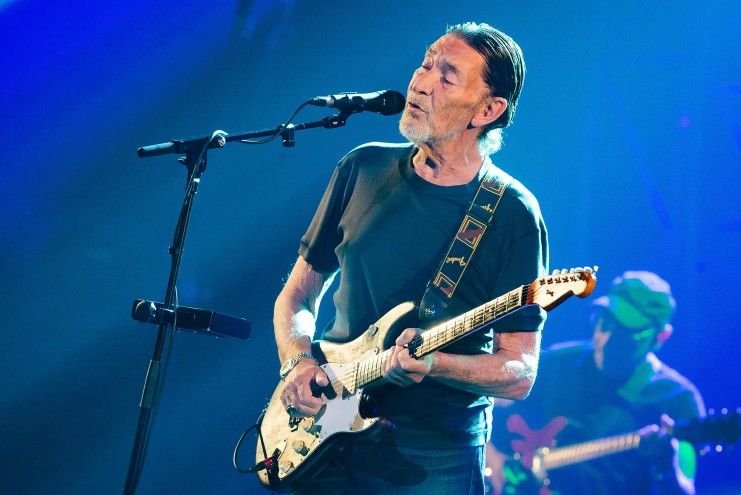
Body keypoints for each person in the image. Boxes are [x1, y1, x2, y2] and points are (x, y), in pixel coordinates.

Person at [271, 22, 548, 495]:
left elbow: (519, 372)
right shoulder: (362, 167)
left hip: (433, 455)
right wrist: (297, 363)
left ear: (488, 110)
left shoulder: (512, 213)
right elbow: (296, 295)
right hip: (328, 430)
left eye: (447, 76)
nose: (421, 81)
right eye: (425, 63)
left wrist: (437, 364)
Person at [488, 271, 706, 495]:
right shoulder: (557, 363)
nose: (605, 339)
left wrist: (668, 468)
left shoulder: (678, 398)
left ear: (660, 337)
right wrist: (492, 459)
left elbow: (684, 489)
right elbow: (479, 404)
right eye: (604, 322)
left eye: (625, 334)